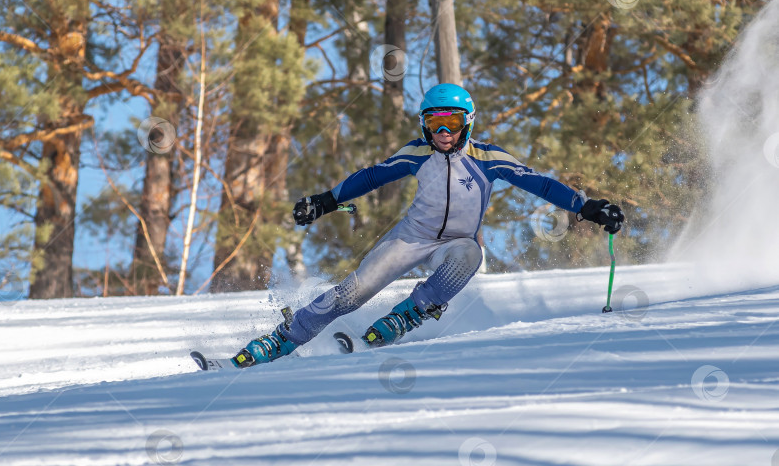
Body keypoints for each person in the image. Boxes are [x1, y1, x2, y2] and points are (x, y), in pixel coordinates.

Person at [232, 83, 624, 367]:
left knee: (470, 254)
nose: (443, 133)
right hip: (411, 238)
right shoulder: (417, 154)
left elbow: (539, 183)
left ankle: (409, 314)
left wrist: (586, 207)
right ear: (424, 125)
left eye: (451, 122)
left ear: (467, 123)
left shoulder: (488, 159)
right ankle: (285, 338)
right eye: (434, 123)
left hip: (455, 243)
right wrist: (325, 201)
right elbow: (372, 176)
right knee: (351, 293)